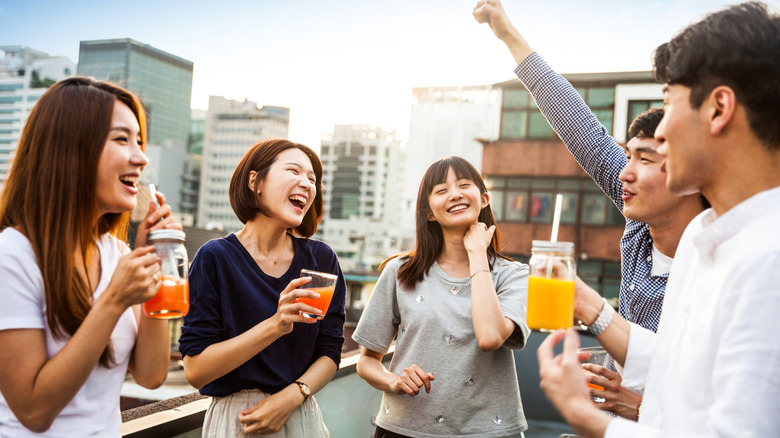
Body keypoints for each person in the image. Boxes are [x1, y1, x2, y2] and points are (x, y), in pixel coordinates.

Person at [534, 2, 780, 436]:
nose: (661, 133)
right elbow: (674, 361)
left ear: (719, 108)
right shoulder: (702, 239)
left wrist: (588, 418)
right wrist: (588, 304)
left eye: (669, 103)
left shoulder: (768, 262)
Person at [473, 0, 708, 420]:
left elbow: (714, 388)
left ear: (688, 175)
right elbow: (576, 122)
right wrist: (508, 35)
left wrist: (643, 406)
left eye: (645, 160)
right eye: (627, 157)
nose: (625, 173)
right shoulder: (640, 222)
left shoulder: (716, 257)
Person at [0, 77, 179, 435]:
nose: (141, 157)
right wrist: (114, 299)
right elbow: (34, 412)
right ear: (72, 148)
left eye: (140, 141)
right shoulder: (12, 257)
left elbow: (151, 375)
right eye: (122, 139)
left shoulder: (118, 254)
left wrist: (152, 266)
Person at [178, 139, 346, 436]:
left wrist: (294, 395)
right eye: (294, 171)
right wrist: (276, 325)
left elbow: (330, 352)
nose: (306, 184)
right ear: (255, 181)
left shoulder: (321, 259)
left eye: (312, 179)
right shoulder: (215, 258)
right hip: (238, 419)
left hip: (300, 412)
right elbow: (195, 370)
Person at [353, 156, 531, 438]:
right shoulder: (400, 271)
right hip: (404, 428)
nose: (455, 194)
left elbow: (489, 338)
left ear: (484, 198)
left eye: (463, 185)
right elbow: (366, 361)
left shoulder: (513, 274)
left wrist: (476, 254)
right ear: (429, 213)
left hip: (489, 432)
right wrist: (394, 380)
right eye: (441, 190)